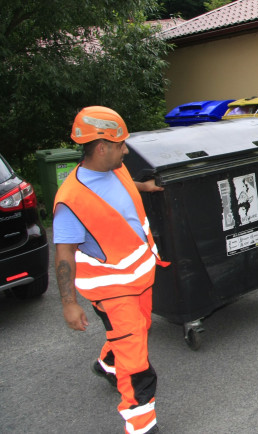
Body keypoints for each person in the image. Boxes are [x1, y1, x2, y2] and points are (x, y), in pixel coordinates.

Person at [53, 106, 168, 434]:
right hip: (113, 290)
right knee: (136, 361)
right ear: (101, 147)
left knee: (137, 330)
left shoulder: (115, 169)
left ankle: (107, 364)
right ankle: (141, 425)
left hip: (140, 279)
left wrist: (144, 188)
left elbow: (123, 189)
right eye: (121, 145)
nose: (126, 150)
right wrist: (68, 303)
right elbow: (63, 255)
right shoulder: (71, 200)